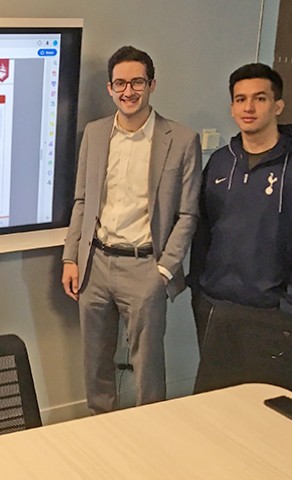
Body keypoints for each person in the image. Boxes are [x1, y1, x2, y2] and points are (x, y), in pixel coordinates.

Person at [61, 46, 202, 414]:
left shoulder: (181, 140)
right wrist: (71, 259)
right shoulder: (94, 133)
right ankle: (100, 426)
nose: (128, 91)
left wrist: (164, 270)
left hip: (146, 267)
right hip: (95, 264)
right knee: (96, 364)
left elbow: (188, 214)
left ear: (152, 84)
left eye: (137, 81)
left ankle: (151, 434)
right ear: (110, 88)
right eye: (120, 83)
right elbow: (81, 202)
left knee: (148, 368)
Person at [190, 63, 292, 351]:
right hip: (214, 306)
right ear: (232, 108)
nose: (249, 107)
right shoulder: (220, 162)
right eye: (240, 99)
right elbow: (202, 229)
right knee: (214, 392)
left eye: (260, 98)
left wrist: (291, 311)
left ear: (277, 105)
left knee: (257, 393)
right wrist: (198, 290)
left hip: (270, 312)